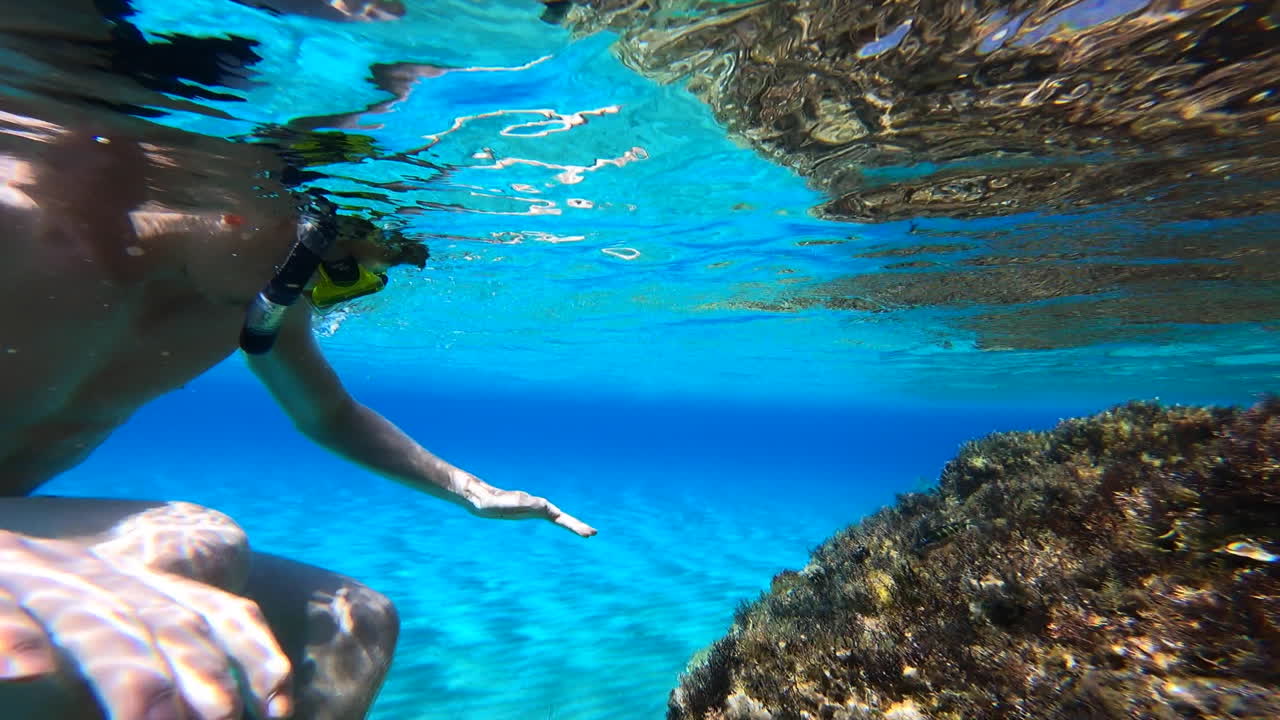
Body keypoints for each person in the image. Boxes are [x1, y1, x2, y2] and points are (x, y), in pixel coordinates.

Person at [0, 91, 596, 720]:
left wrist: (475, 492)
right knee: (201, 546)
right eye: (337, 269)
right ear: (243, 215)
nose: (315, 292)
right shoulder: (21, 228)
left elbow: (328, 413)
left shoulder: (248, 300)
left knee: (354, 624)